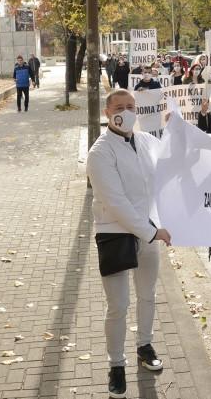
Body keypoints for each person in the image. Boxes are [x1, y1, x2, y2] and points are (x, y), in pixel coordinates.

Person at [87, 89, 173, 399]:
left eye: (131, 106)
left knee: (147, 295)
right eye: (119, 107)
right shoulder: (100, 153)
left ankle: (144, 345)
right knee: (118, 305)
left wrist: (182, 130)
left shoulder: (147, 142)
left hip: (148, 232)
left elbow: (173, 162)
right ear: (108, 113)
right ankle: (116, 364)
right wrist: (151, 232)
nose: (126, 111)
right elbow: (117, 203)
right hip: (116, 234)